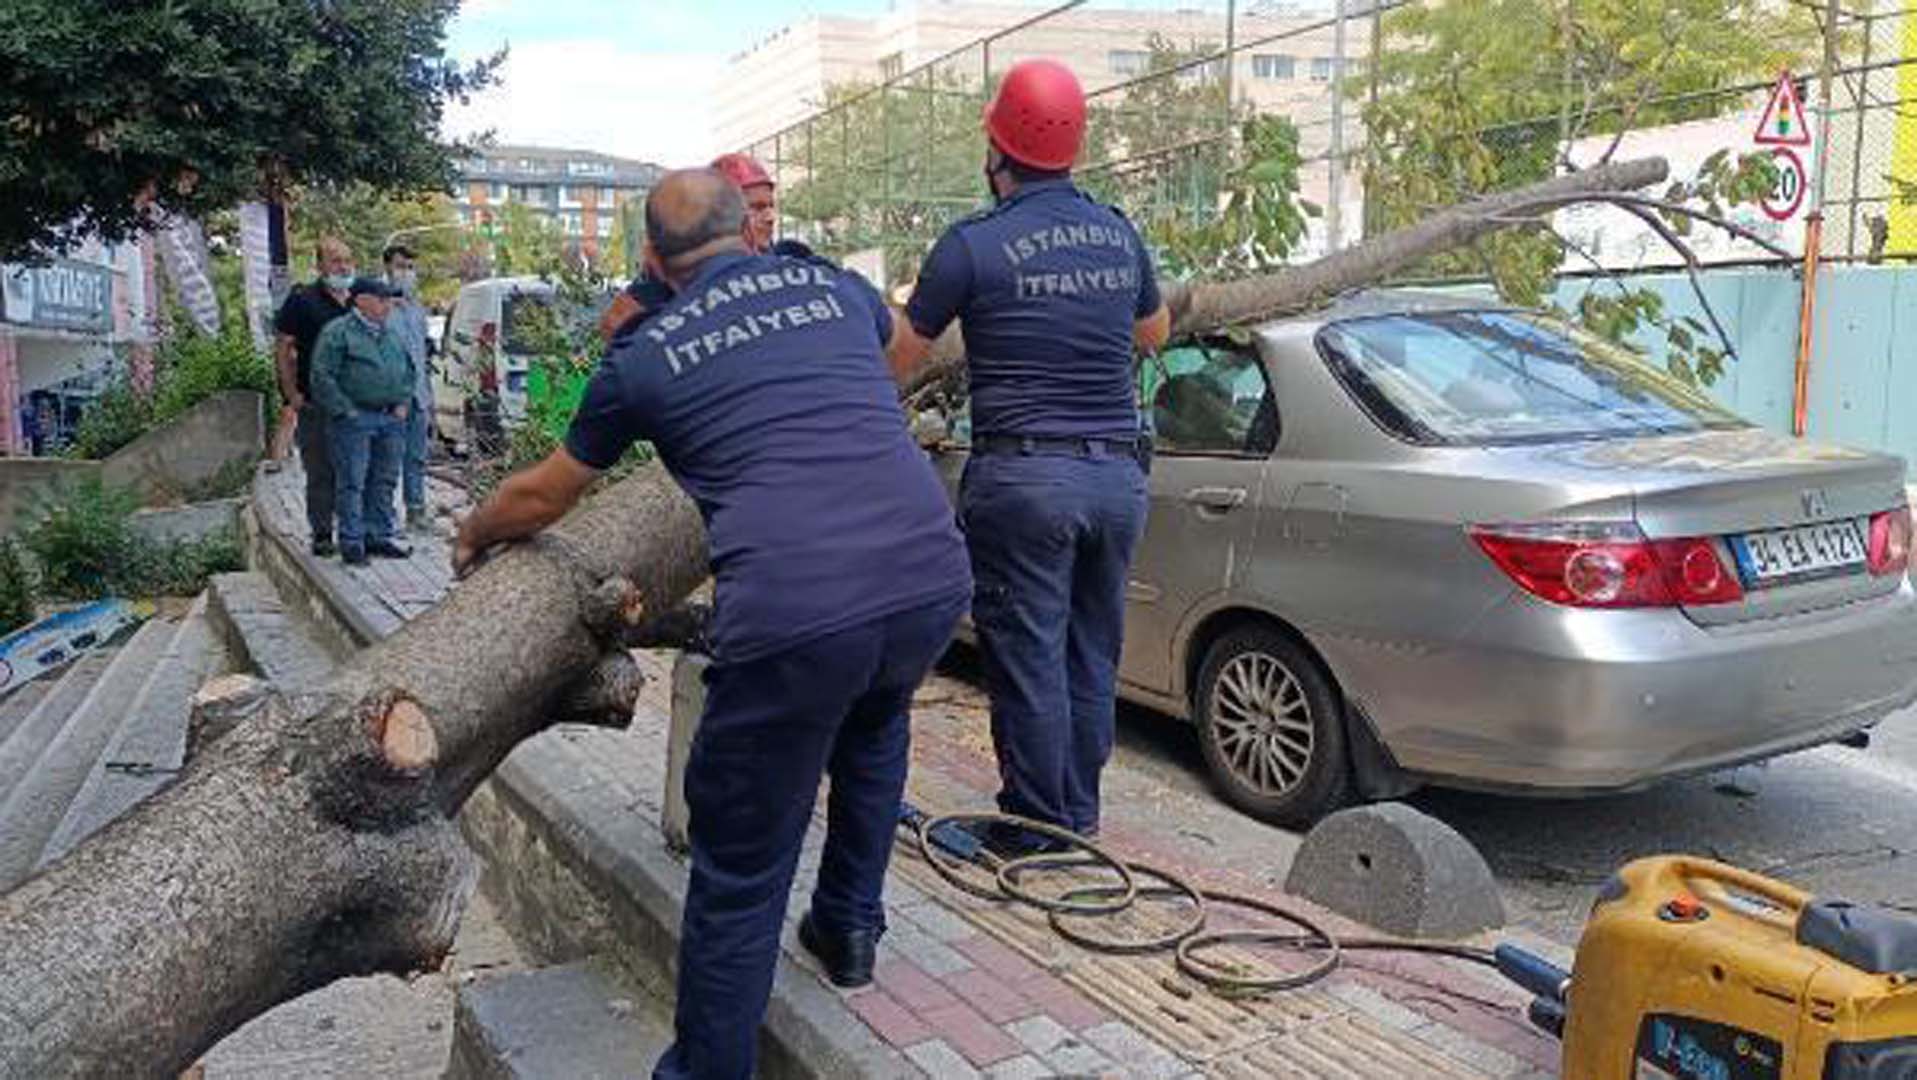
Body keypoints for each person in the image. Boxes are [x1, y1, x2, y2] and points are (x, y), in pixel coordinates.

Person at [453, 169, 970, 1080]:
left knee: (739, 861)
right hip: (928, 575)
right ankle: (848, 929)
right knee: (876, 722)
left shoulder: (644, 355)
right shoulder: (831, 286)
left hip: (796, 611)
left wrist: (475, 530)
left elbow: (545, 494)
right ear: (750, 230)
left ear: (652, 259)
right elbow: (901, 354)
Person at [887, 58, 1171, 854]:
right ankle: (1078, 815)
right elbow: (1154, 335)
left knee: (1027, 654)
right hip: (1115, 478)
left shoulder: (972, 246)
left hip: (1023, 480)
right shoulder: (1117, 231)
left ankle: (1034, 830)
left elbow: (898, 360)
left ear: (996, 148)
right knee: (1090, 648)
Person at [595, 152, 822, 345]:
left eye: (771, 206)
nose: (771, 217)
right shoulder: (674, 275)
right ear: (724, 211)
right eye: (757, 207)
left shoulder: (792, 258)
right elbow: (613, 326)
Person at [309, 277, 416, 566]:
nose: (387, 305)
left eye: (389, 300)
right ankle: (352, 541)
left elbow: (408, 370)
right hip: (355, 418)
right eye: (381, 299)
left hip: (390, 417)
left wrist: (403, 401)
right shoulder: (338, 332)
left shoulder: (390, 334)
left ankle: (378, 535)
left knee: (384, 479)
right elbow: (321, 376)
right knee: (352, 481)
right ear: (361, 300)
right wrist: (345, 411)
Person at [274, 238, 357, 556]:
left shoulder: (360, 300)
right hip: (316, 402)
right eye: (335, 260)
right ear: (320, 266)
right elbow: (283, 347)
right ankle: (323, 532)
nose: (343, 266)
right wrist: (291, 392)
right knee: (321, 470)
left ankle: (355, 530)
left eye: (348, 260)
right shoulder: (303, 301)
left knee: (355, 469)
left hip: (357, 402)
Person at [383, 243, 434, 531]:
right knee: (388, 459)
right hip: (392, 397)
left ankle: (416, 513)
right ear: (388, 268)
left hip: (419, 396)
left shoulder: (417, 307)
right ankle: (385, 516)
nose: (407, 273)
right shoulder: (380, 306)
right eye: (401, 266)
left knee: (416, 458)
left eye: (410, 267)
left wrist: (430, 398)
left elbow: (422, 354)